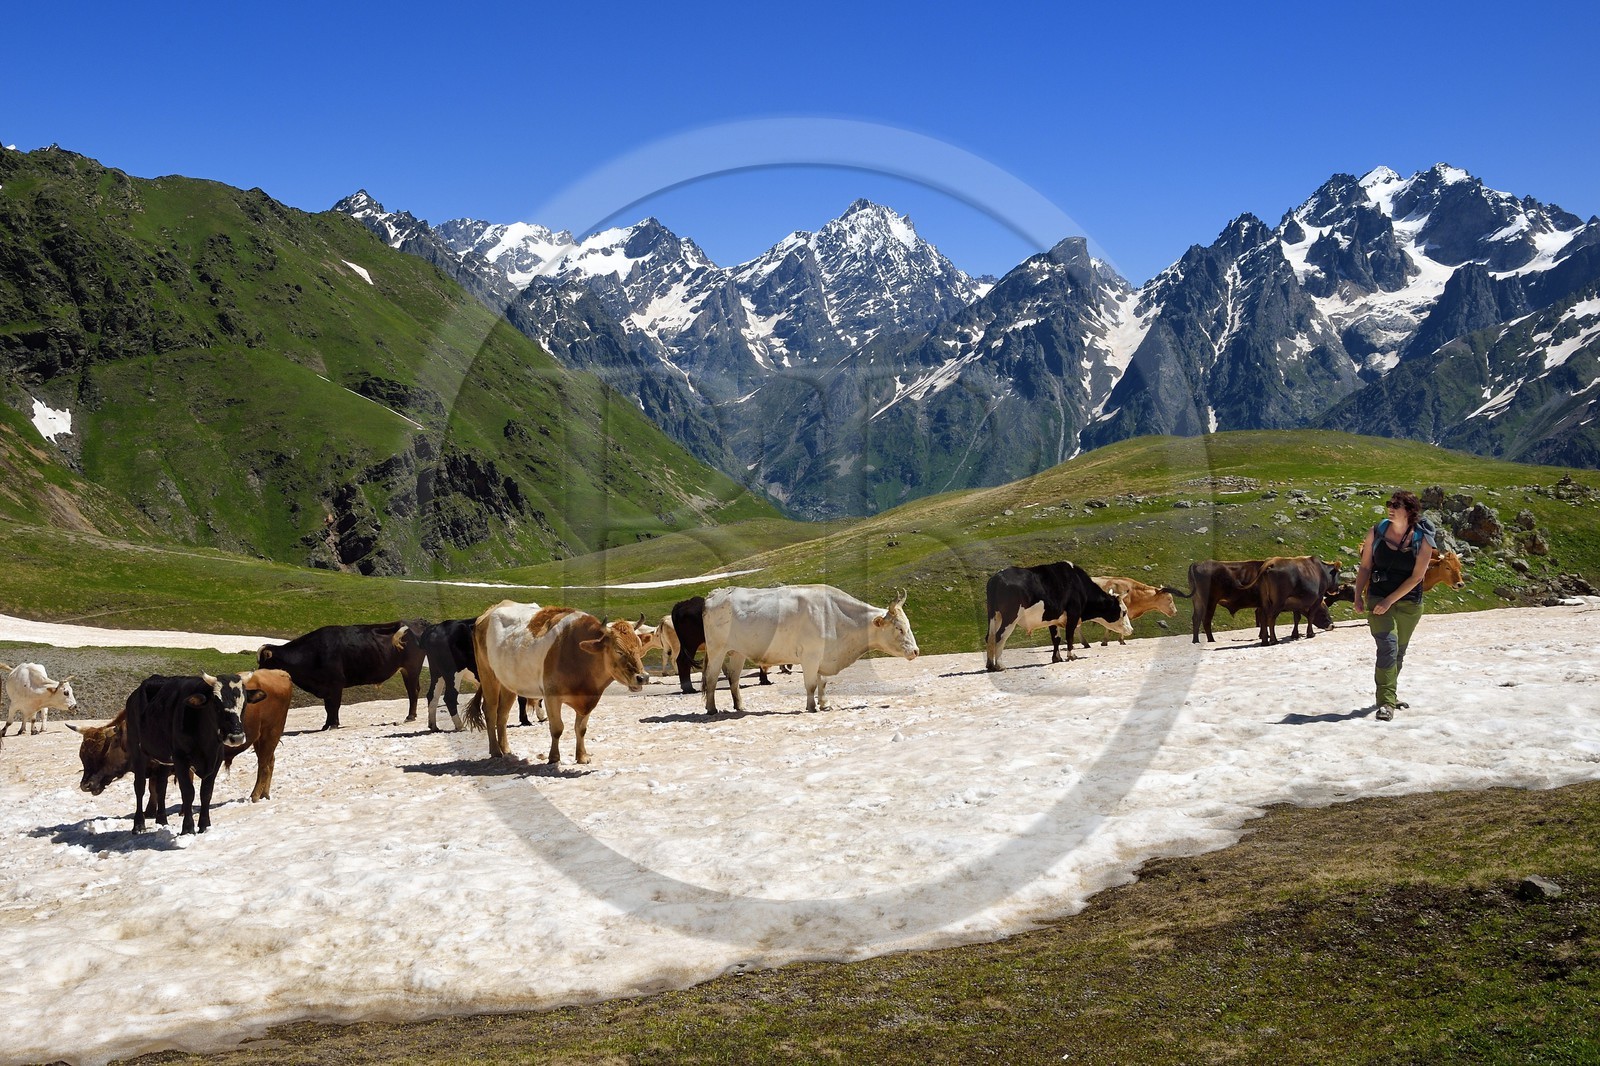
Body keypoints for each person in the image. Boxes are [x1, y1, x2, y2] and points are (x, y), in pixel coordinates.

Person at [1354, 489, 1435, 721]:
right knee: (1388, 648)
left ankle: (1390, 692)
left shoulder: (1423, 538)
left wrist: (1392, 600)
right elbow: (1365, 567)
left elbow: (1417, 577)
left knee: (1398, 652)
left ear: (1409, 511)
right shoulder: (1376, 532)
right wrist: (1358, 595)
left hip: (1409, 602)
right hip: (1379, 598)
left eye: (1396, 505)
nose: (1390, 508)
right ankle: (1386, 703)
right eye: (1389, 503)